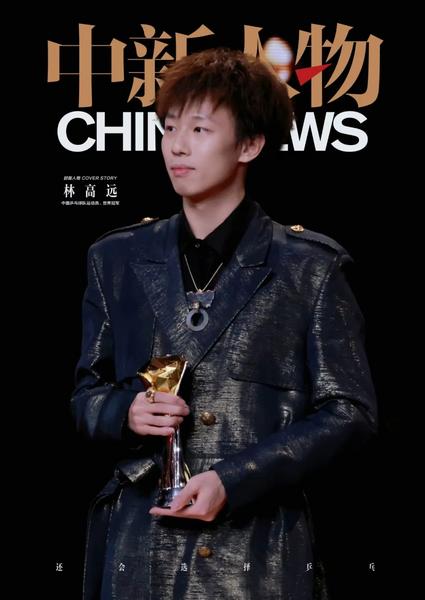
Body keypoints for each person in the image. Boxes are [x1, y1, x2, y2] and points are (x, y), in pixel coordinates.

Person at [71, 47, 377, 600]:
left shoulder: (310, 267)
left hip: (257, 552)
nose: (176, 146)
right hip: (140, 544)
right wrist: (126, 412)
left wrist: (234, 481)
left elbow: (349, 413)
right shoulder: (115, 258)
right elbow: (85, 393)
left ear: (249, 145)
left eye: (199, 128)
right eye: (169, 127)